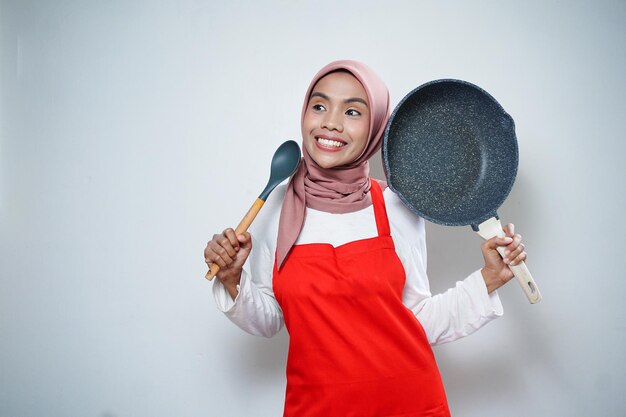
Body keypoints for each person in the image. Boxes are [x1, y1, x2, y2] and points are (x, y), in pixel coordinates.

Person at [204, 60, 527, 417]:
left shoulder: (396, 207)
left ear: (375, 126)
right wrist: (234, 280)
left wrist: (490, 278)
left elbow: (418, 320)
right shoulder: (280, 205)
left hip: (410, 404)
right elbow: (270, 321)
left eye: (353, 111)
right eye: (320, 105)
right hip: (317, 408)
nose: (331, 122)